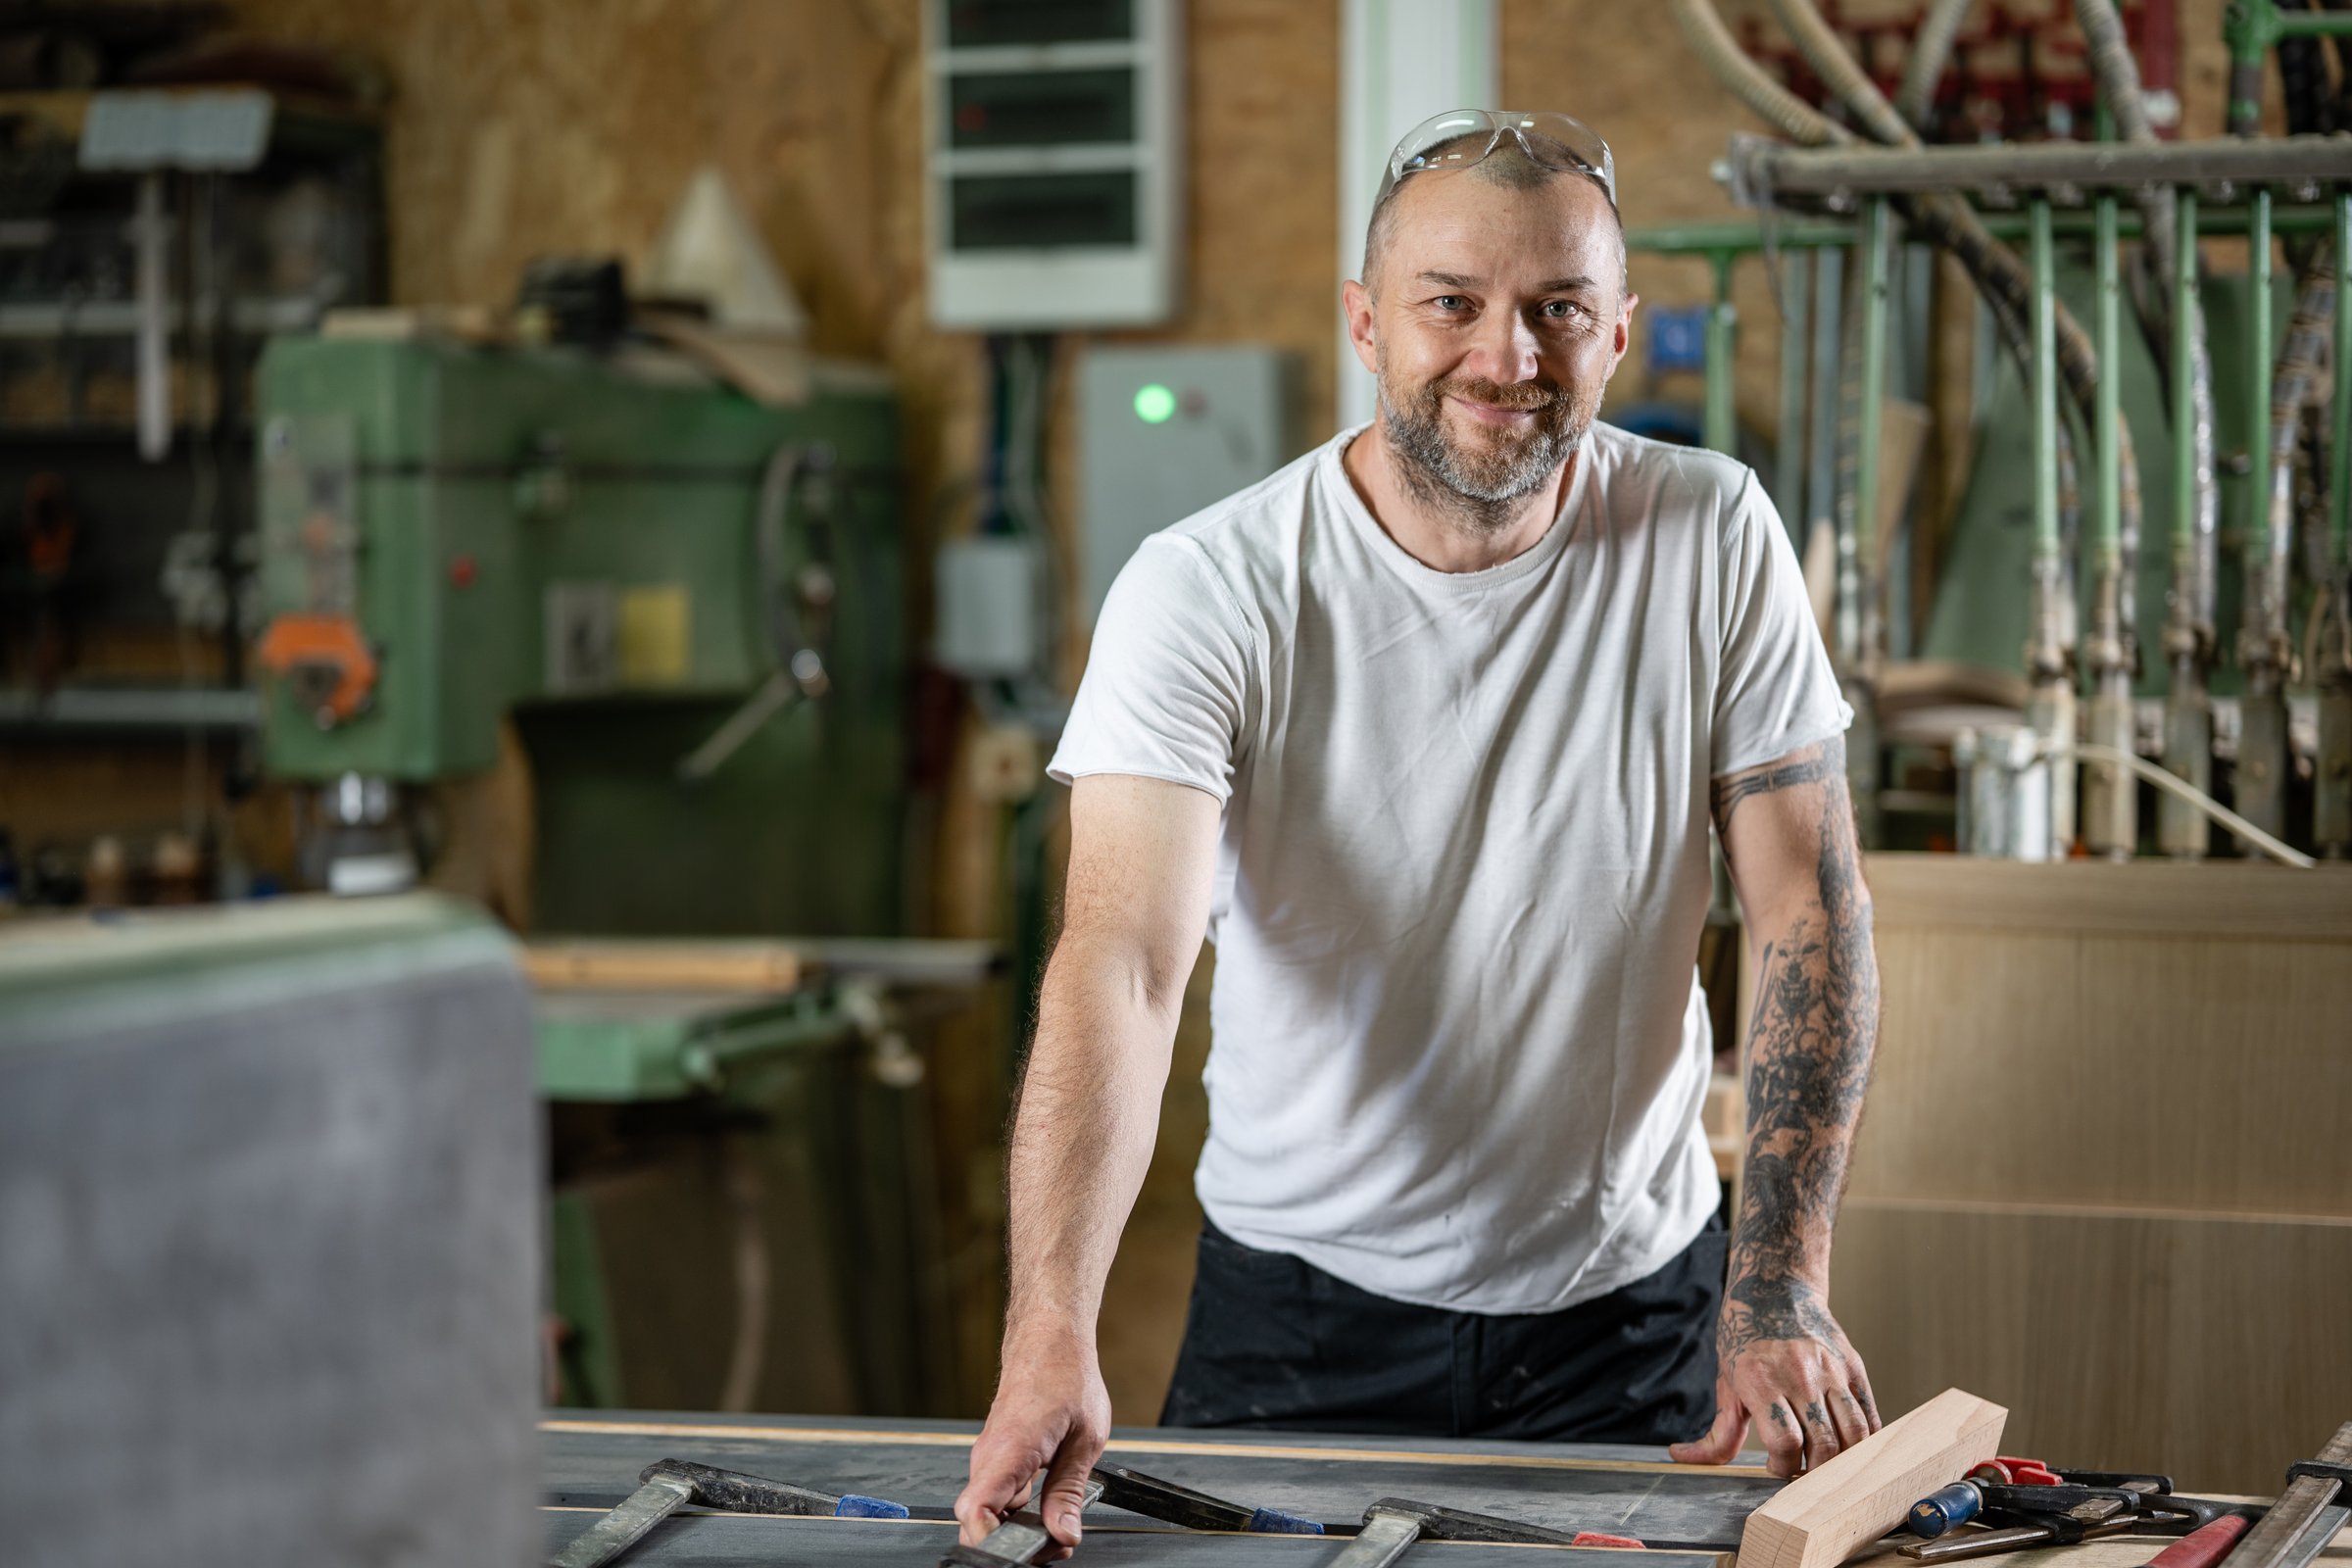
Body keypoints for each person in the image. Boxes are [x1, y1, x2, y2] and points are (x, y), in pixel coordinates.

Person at [953, 110, 1883, 1555]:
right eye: (1452, 304)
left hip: (1631, 1324)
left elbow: (1809, 914)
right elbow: (1124, 966)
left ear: (1619, 334)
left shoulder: (1715, 535)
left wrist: (1780, 1283)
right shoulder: (1207, 589)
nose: (1506, 359)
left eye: (1557, 310)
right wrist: (1048, 1331)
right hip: (1302, 1325)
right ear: (1366, 324)